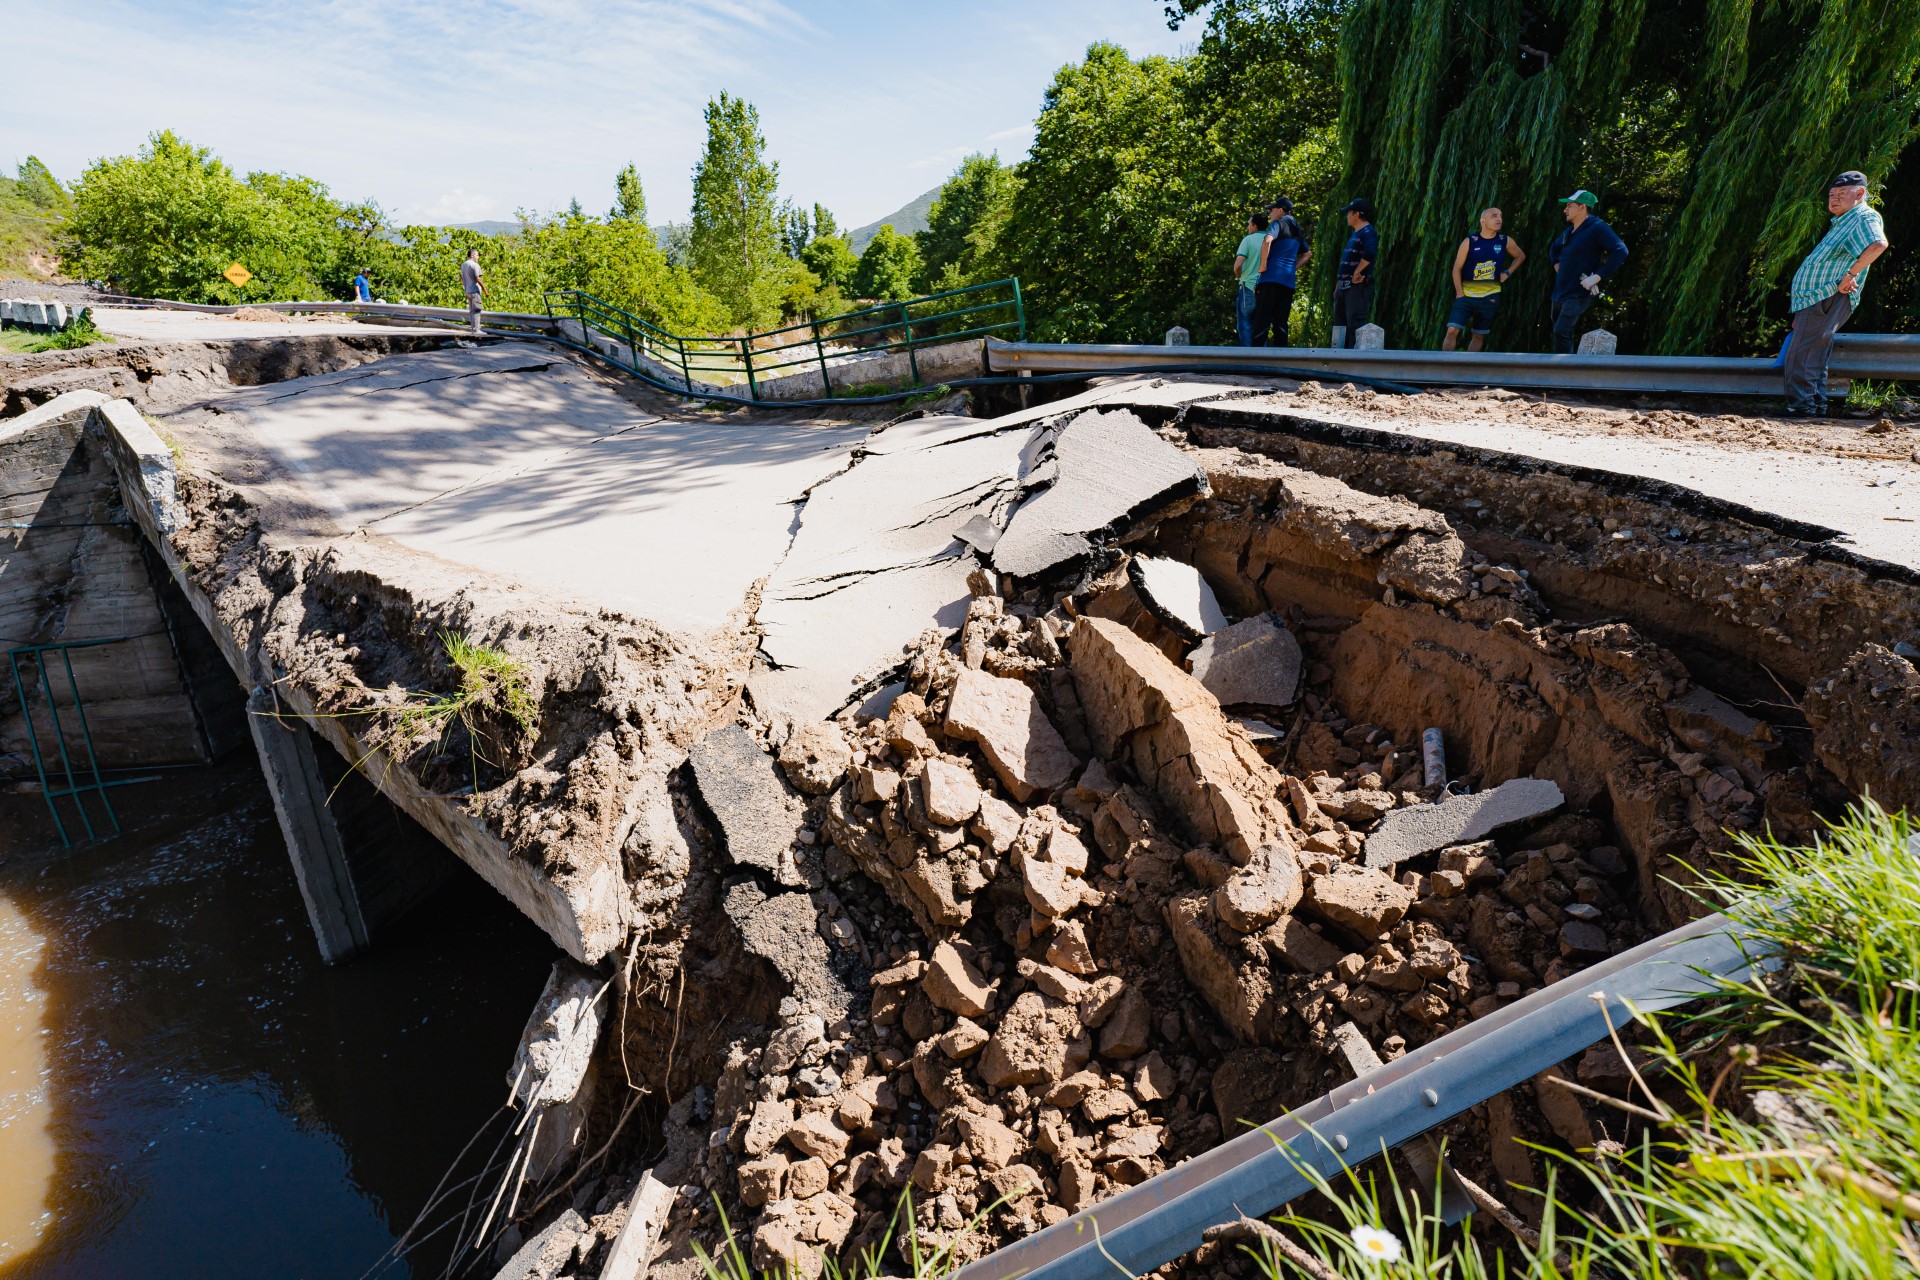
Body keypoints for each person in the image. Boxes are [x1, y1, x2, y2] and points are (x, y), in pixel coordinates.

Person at [1783, 170, 1891, 417]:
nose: (1834, 198)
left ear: (1860, 193)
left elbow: (1878, 244)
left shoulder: (1863, 217)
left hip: (1826, 296)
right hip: (1816, 299)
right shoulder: (1845, 220)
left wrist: (1851, 275)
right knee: (1813, 352)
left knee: (1802, 353)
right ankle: (1814, 406)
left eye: (1842, 193)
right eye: (1832, 194)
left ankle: (1802, 407)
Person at [1545, 189, 1627, 354]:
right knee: (1560, 334)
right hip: (1559, 293)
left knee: (1561, 331)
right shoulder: (1568, 231)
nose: (1565, 210)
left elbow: (1621, 251)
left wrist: (1597, 277)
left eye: (1569, 206)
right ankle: (1563, 374)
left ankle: (1565, 374)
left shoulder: (1597, 227)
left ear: (1582, 207)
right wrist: (1556, 265)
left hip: (1578, 293)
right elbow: (1553, 249)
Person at [1442, 209, 1525, 351]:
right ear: (1483, 221)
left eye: (1500, 216)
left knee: (1478, 336)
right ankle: (1444, 369)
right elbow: (1456, 269)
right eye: (1494, 216)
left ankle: (1469, 370)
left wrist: (1507, 273)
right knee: (1452, 331)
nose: (1499, 219)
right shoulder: (1470, 241)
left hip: (1490, 297)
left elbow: (1520, 256)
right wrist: (1459, 293)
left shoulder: (1504, 240)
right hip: (1466, 296)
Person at [1250, 197, 1310, 346]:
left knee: (1262, 321)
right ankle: (1282, 361)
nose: (1270, 213)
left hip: (1270, 279)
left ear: (1281, 210)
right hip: (1288, 282)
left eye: (1272, 210)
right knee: (1281, 323)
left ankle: (1253, 362)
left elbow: (1267, 240)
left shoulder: (1278, 223)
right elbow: (1308, 254)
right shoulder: (1297, 229)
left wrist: (1263, 265)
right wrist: (1293, 268)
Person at [1330, 198, 1378, 348]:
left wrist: (1357, 272)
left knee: (1354, 324)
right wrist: (1338, 285)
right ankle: (1337, 358)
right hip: (1344, 287)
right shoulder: (1355, 234)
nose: (1347, 217)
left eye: (1348, 213)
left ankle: (1354, 359)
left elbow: (1370, 253)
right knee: (1340, 327)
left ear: (1356, 214)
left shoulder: (1368, 232)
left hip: (1357, 286)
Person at [1232, 212, 1269, 346]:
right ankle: (1262, 359)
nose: (1248, 226)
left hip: (1248, 287)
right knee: (1262, 326)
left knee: (1245, 325)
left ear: (1254, 225)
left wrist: (1239, 276)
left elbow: (1237, 265)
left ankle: (1247, 359)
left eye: (1249, 223)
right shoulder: (1271, 239)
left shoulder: (1248, 240)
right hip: (1265, 288)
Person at [460, 248, 484, 335]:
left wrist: (465, 288)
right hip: (474, 290)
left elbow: (462, 279)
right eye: (477, 255)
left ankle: (474, 329)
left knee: (472, 310)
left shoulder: (464, 264)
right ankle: (476, 330)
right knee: (477, 309)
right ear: (472, 255)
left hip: (468, 290)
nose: (478, 257)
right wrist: (485, 290)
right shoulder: (475, 265)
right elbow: (478, 278)